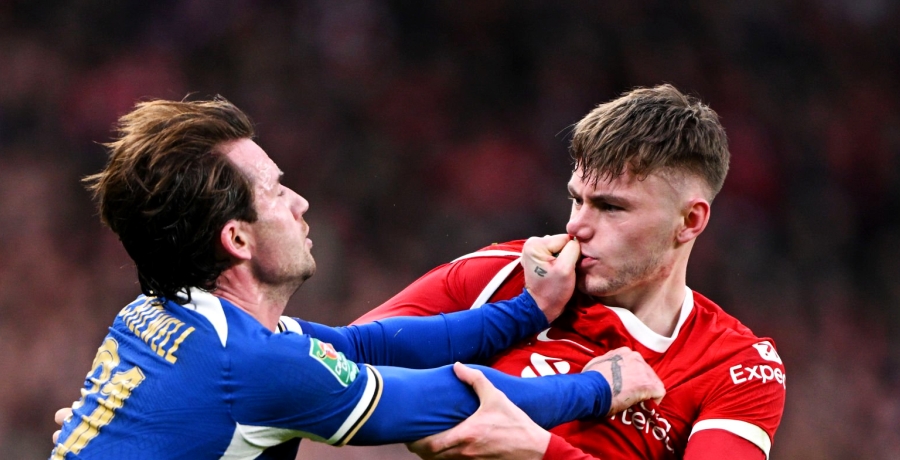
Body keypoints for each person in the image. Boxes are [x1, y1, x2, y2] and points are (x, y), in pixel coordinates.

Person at [50, 98, 665, 459]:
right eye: (276, 192)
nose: (300, 204)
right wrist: (600, 386)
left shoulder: (166, 315)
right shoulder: (252, 364)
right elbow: (451, 404)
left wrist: (528, 311)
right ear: (236, 240)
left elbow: (365, 345)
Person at [356, 85, 786, 460]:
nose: (576, 226)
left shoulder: (735, 365)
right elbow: (338, 372)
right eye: (577, 199)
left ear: (690, 221)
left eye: (610, 207)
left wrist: (538, 451)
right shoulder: (507, 275)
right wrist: (523, 314)